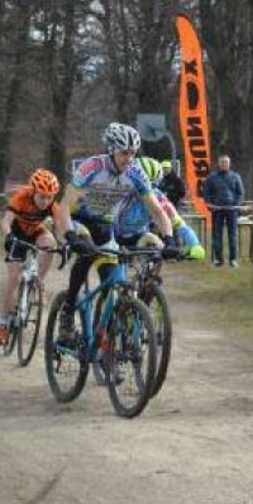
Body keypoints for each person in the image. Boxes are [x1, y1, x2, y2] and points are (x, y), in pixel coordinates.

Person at [53, 122, 174, 344]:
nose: (129, 158)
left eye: (133, 153)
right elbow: (64, 207)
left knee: (111, 283)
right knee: (87, 251)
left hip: (104, 225)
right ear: (111, 150)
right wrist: (70, 235)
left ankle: (106, 345)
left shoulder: (136, 173)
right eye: (124, 153)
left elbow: (157, 210)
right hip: (77, 220)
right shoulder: (91, 168)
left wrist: (169, 238)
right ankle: (68, 311)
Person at [0, 169, 61, 345]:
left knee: (51, 244)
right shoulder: (21, 197)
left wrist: (66, 244)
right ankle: (2, 323)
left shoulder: (52, 205)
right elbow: (6, 221)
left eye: (49, 197)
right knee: (13, 277)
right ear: (33, 192)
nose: (45, 201)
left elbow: (61, 228)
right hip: (17, 233)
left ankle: (39, 283)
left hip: (36, 231)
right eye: (41, 196)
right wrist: (8, 236)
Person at [115, 157, 204, 259]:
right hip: (113, 235)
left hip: (139, 237)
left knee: (156, 245)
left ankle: (148, 272)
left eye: (153, 185)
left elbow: (179, 224)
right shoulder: (118, 191)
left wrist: (195, 244)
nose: (147, 190)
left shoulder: (158, 197)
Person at [203, 154, 245, 267]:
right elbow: (206, 193)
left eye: (226, 162)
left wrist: (236, 205)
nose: (224, 164)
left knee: (233, 235)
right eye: (222, 162)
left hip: (232, 210)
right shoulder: (212, 177)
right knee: (217, 235)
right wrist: (210, 205)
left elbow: (240, 193)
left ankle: (233, 260)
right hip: (217, 210)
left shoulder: (236, 176)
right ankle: (218, 260)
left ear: (229, 164)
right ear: (218, 163)